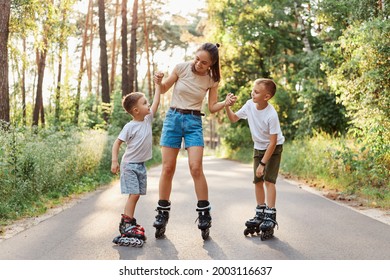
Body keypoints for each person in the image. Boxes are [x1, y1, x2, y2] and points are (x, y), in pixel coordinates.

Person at [152, 42, 235, 239]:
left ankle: (204, 213)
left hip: (194, 122)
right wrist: (158, 81)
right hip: (173, 119)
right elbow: (163, 89)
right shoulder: (181, 67)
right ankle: (162, 213)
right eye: (197, 59)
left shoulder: (212, 79)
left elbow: (213, 106)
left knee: (196, 167)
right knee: (168, 168)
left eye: (204, 62)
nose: (198, 64)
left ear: (211, 65)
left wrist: (226, 103)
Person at [225, 78, 285, 239]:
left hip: (273, 149)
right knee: (257, 180)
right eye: (253, 90)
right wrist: (227, 107)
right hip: (258, 147)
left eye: (257, 92)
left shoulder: (271, 114)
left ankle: (270, 215)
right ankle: (260, 212)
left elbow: (273, 142)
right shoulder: (249, 105)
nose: (253, 93)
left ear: (266, 97)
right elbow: (233, 118)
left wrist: (263, 164)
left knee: (268, 181)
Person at [110, 83, 161, 246]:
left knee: (137, 194)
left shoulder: (147, 120)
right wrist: (114, 161)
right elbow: (117, 143)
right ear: (136, 110)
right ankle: (127, 223)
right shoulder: (129, 126)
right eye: (145, 103)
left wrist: (158, 85)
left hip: (140, 165)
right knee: (134, 194)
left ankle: (128, 222)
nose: (149, 105)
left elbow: (157, 102)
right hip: (129, 165)